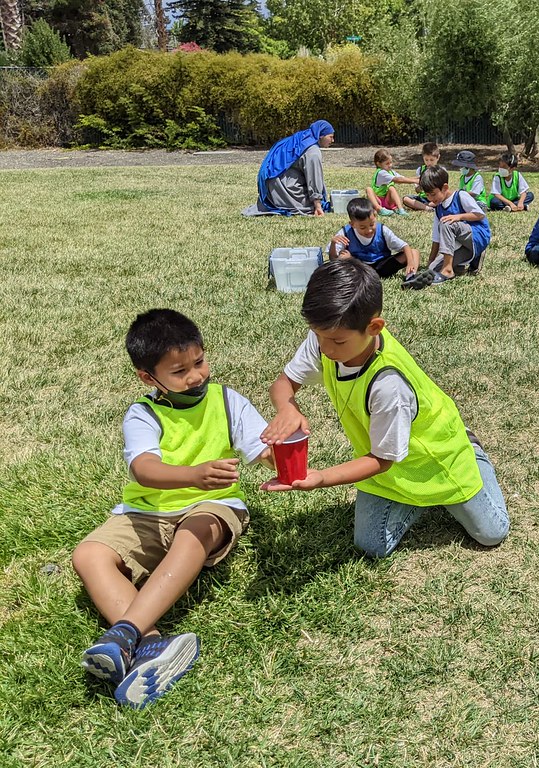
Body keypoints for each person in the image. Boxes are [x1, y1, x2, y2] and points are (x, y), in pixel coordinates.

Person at [73, 310, 273, 708]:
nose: (196, 376)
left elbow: (262, 450)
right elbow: (144, 469)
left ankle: (125, 632)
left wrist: (282, 445)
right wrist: (193, 474)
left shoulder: (227, 400)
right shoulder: (142, 413)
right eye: (180, 371)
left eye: (199, 362)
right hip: (144, 513)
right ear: (148, 378)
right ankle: (149, 645)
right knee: (88, 554)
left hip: (213, 506)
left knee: (193, 532)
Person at [261, 260, 510, 557]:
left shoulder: (389, 385)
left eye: (336, 341)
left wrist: (322, 478)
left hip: (435, 458)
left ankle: (473, 454)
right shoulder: (330, 333)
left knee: (491, 533)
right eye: (317, 334)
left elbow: (381, 461)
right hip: (387, 457)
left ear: (374, 327)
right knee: (372, 546)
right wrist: (287, 408)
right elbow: (283, 383)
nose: (325, 349)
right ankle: (413, 497)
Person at [245, 120, 334, 216]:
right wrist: (318, 206)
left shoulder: (300, 138)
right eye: (331, 137)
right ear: (321, 135)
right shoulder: (313, 151)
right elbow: (314, 178)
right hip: (284, 191)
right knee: (310, 205)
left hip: (271, 191)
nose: (333, 141)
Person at [419, 165, 491, 285]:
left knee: (446, 223)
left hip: (477, 235)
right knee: (433, 270)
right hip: (460, 244)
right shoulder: (438, 209)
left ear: (444, 187)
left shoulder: (460, 196)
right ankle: (467, 261)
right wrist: (430, 261)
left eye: (433, 194)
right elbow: (436, 239)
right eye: (427, 195)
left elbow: (480, 215)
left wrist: (459, 217)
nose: (431, 198)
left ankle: (448, 270)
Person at [329, 197, 422, 289]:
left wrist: (410, 263)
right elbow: (333, 259)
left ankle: (411, 277)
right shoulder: (345, 233)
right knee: (342, 257)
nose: (369, 230)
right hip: (359, 268)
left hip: (383, 267)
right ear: (352, 224)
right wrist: (334, 244)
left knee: (413, 252)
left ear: (375, 215)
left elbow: (404, 246)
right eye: (362, 227)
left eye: (371, 224)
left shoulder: (382, 230)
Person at [366, 149, 415, 217]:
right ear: (378, 164)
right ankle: (379, 209)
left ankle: (401, 209)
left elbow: (404, 178)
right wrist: (415, 181)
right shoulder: (381, 172)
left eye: (391, 162)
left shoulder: (391, 171)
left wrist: (419, 179)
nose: (390, 165)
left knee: (391, 188)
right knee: (369, 189)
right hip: (378, 201)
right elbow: (398, 180)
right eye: (387, 163)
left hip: (387, 201)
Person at [403, 142, 442, 212]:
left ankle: (424, 206)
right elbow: (417, 190)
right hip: (423, 198)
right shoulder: (420, 170)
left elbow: (443, 190)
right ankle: (427, 208)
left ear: (438, 157)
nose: (429, 163)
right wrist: (420, 187)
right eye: (426, 160)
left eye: (432, 160)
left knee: (442, 200)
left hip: (435, 198)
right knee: (406, 199)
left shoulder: (441, 171)